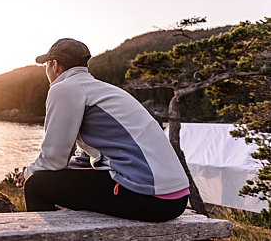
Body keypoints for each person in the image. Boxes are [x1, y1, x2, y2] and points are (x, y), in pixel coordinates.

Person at [15, 38, 190, 222]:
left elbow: (54, 159)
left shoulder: (64, 88)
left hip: (149, 196)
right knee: (46, 178)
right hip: (175, 198)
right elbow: (86, 159)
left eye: (46, 65)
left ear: (54, 65)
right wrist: (38, 169)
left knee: (36, 185)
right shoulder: (99, 90)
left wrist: (29, 174)